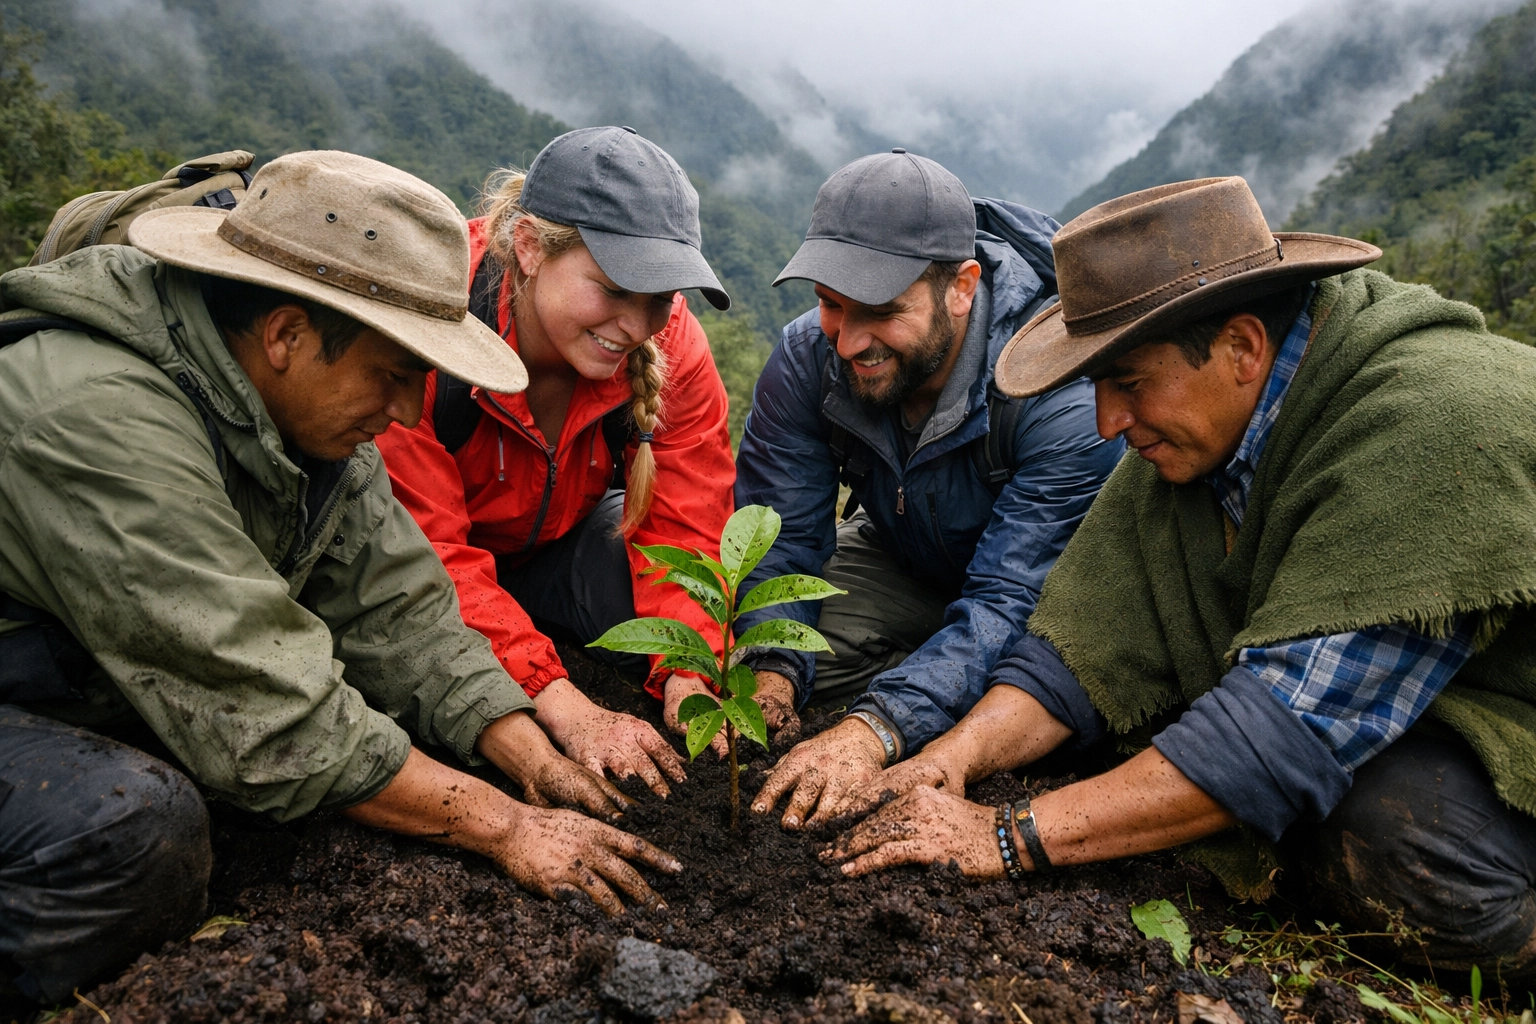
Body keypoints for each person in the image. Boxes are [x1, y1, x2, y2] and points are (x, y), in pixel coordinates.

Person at [0, 151, 679, 1005]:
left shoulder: (302, 422)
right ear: (286, 334)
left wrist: (527, 751)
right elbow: (270, 715)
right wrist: (507, 825)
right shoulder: (100, 417)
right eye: (392, 377)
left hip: (72, 682)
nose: (403, 413)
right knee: (130, 829)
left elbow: (401, 610)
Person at [822, 177, 1536, 981]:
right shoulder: (1203, 432)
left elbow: (1284, 729)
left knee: (1391, 840)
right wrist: (954, 755)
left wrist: (1002, 835)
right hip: (1419, 698)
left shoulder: (1425, 425)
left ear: (1241, 348)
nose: (1106, 422)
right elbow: (1081, 643)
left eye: (1128, 381)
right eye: (1096, 387)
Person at [737, 149, 1123, 829]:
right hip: (905, 555)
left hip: (1043, 590)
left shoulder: (1056, 391)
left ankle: (954, 694)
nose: (849, 341)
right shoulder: (807, 360)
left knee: (1050, 696)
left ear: (962, 286)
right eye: (830, 305)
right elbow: (782, 537)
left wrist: (875, 729)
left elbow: (1011, 597)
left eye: (881, 311)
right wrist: (768, 679)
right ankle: (940, 679)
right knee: (798, 667)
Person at [376, 127, 750, 789]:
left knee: (706, 608)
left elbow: (688, 515)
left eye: (658, 298)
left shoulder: (673, 343)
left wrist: (688, 671)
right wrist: (562, 701)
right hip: (418, 564)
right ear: (528, 248)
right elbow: (424, 554)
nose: (634, 327)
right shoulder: (427, 319)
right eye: (611, 289)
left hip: (553, 550)